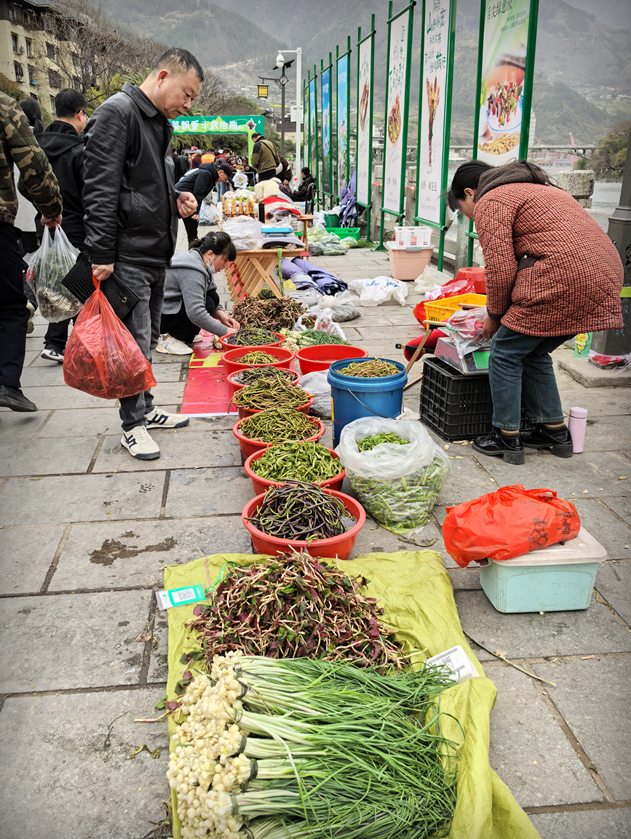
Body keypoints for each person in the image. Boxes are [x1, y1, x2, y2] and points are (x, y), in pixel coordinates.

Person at [447, 159, 624, 465]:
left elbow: (501, 269)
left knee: (504, 351)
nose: (469, 215)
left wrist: (494, 315)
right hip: (604, 276)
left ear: (470, 193)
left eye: (463, 209)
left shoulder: (492, 200)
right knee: (533, 351)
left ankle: (506, 436)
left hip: (564, 276)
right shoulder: (540, 189)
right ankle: (554, 431)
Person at [82, 47, 202, 461]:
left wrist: (177, 197)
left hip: (154, 253)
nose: (187, 105)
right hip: (127, 253)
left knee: (145, 339)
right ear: (164, 76)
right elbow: (99, 188)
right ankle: (132, 426)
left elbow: (145, 184)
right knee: (130, 345)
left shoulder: (157, 123)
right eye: (186, 95)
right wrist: (101, 253)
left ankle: (147, 410)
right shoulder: (118, 113)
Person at [0, 93, 62, 412]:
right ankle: (8, 383)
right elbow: (33, 165)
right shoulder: (5, 106)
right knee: (12, 305)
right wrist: (50, 208)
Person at [24, 88, 88, 363]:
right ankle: (67, 343)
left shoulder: (35, 145)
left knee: (57, 281)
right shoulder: (80, 149)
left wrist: (45, 208)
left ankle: (60, 342)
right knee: (80, 284)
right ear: (80, 114)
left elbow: (22, 184)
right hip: (76, 225)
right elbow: (91, 191)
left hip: (47, 225)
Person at [157, 232, 239, 354]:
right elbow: (196, 313)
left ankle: (185, 334)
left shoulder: (201, 261)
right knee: (206, 304)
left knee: (212, 298)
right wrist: (225, 331)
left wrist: (223, 317)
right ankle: (172, 340)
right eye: (224, 260)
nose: (225, 266)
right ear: (211, 254)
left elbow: (210, 294)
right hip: (159, 317)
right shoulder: (193, 270)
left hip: (169, 309)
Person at [175, 160, 232, 244]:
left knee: (192, 230)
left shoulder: (211, 176)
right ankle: (194, 246)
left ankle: (193, 246)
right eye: (226, 178)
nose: (225, 181)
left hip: (187, 199)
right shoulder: (206, 174)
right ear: (221, 172)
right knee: (192, 228)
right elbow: (198, 193)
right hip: (181, 198)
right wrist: (196, 211)